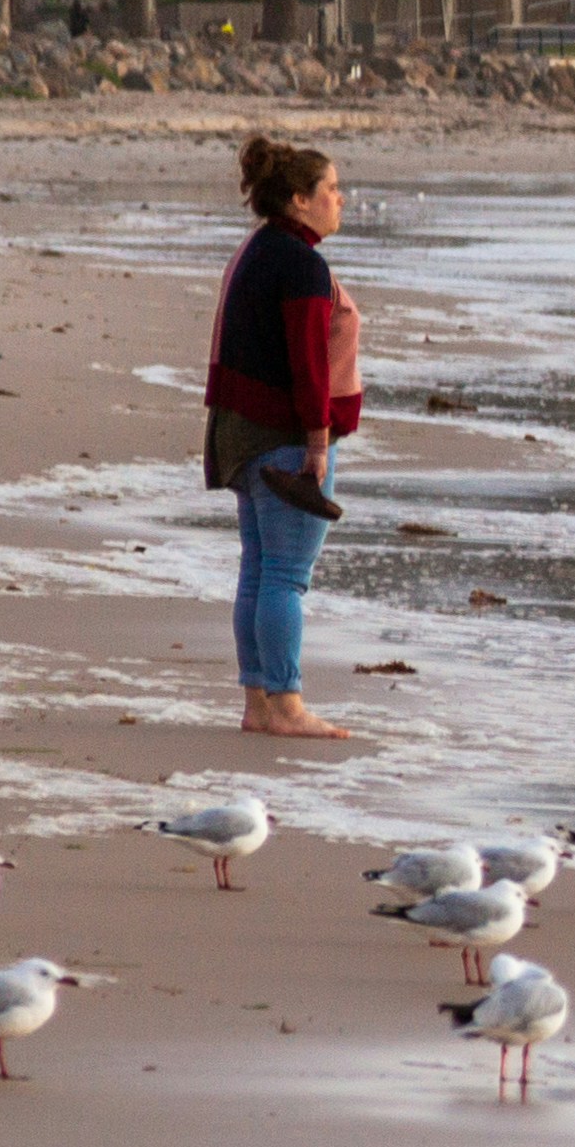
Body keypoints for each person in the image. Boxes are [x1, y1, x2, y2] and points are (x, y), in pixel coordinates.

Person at [204, 133, 364, 741]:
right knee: (285, 576)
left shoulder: (256, 249)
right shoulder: (301, 264)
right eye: (331, 189)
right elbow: (308, 363)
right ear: (299, 199)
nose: (341, 199)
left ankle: (259, 703)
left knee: (259, 569)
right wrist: (318, 443)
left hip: (240, 431)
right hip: (282, 436)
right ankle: (288, 706)